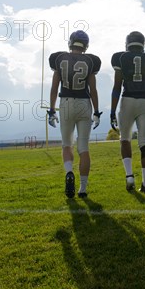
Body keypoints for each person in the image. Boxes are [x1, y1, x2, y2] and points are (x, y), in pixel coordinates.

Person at [48, 30, 102, 199]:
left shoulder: (59, 59)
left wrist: (51, 110)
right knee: (83, 148)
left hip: (66, 103)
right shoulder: (90, 61)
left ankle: (69, 172)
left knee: (66, 145)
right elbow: (93, 89)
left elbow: (54, 88)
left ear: (71, 42)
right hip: (84, 104)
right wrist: (97, 112)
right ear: (85, 45)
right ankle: (83, 188)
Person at [110, 31, 145, 193]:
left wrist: (112, 110)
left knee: (125, 139)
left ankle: (129, 176)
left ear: (127, 44)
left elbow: (117, 87)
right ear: (143, 44)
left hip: (127, 102)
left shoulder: (120, 58)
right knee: (144, 143)